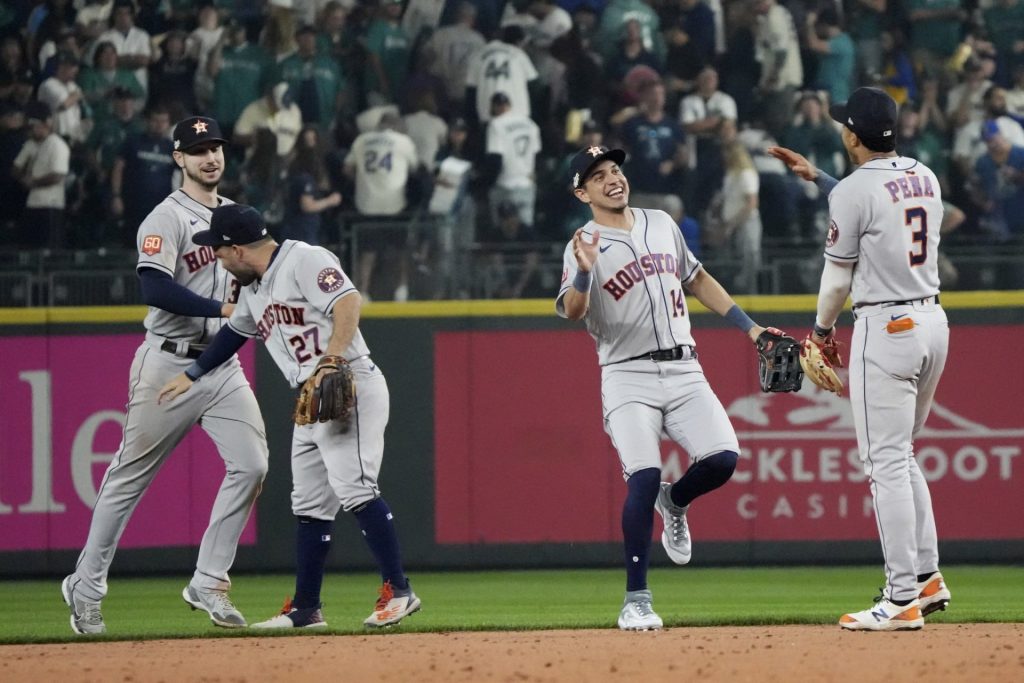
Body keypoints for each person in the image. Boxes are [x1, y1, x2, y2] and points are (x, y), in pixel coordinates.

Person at [158, 203, 422, 630]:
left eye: (219, 252)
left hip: (348, 384)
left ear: (237, 249)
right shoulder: (253, 289)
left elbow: (348, 301)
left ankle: (401, 591)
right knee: (310, 505)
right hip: (311, 399)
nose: (218, 261)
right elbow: (234, 334)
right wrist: (192, 374)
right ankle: (305, 609)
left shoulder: (304, 258)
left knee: (355, 487)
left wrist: (332, 359)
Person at [60, 116, 270, 635]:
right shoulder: (164, 217)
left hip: (220, 363)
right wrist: (223, 310)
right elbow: (153, 288)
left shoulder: (234, 214)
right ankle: (85, 586)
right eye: (198, 150)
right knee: (128, 478)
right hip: (168, 362)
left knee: (252, 465)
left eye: (215, 147)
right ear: (178, 158)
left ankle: (209, 581)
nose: (211, 157)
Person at [556, 145, 779, 630]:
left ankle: (675, 501)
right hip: (627, 375)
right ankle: (636, 600)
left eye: (615, 169)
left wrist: (752, 329)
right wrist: (585, 271)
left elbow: (697, 279)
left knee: (723, 459)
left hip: (684, 369)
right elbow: (573, 311)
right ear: (582, 193)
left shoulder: (660, 222)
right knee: (642, 477)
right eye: (598, 176)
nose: (613, 179)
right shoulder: (582, 244)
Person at [768, 86, 952, 631]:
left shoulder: (853, 191)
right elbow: (880, 206)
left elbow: (836, 279)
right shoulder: (925, 175)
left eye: (844, 126)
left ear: (852, 135)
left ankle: (900, 599)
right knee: (902, 455)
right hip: (933, 323)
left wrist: (820, 331)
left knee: (885, 464)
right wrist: (819, 179)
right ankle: (927, 578)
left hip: (886, 326)